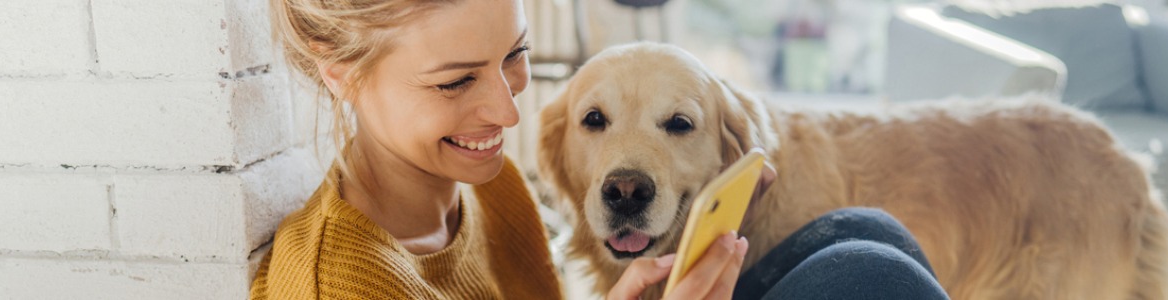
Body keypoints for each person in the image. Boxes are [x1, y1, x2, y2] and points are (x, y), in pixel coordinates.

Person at [252, 0, 948, 299]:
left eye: (513, 57)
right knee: (867, 276)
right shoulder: (343, 283)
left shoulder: (483, 185)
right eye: (457, 80)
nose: (505, 108)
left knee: (863, 234)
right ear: (338, 70)